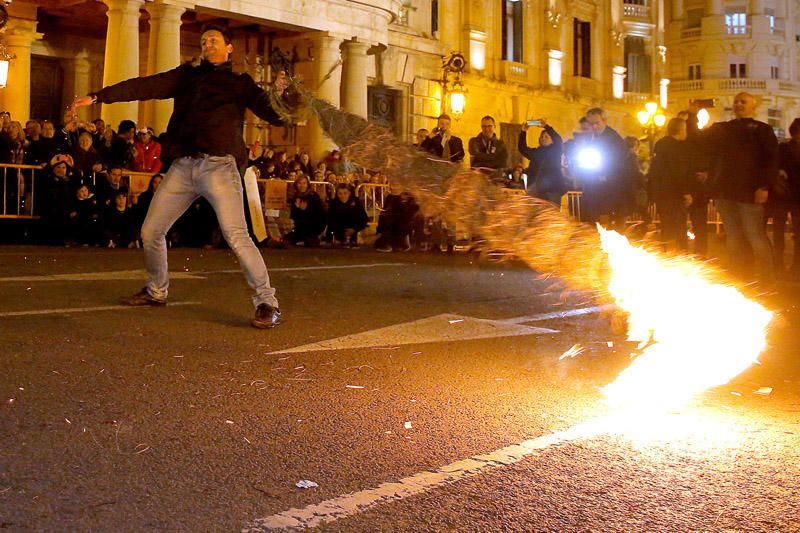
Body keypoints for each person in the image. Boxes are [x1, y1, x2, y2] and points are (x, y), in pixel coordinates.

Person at [71, 23, 292, 328]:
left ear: (229, 48)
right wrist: (99, 97)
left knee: (237, 236)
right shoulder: (186, 76)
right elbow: (146, 85)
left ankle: (267, 302)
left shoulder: (240, 83)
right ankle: (156, 290)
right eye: (204, 41)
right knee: (151, 231)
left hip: (219, 166)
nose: (208, 44)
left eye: (214, 40)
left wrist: (285, 95)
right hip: (183, 165)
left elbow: (275, 115)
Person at [703, 92, 777, 285]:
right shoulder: (724, 129)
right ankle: (740, 274)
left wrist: (763, 186)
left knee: (755, 235)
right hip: (726, 191)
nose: (739, 104)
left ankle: (767, 278)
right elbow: (703, 144)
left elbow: (770, 161)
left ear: (753, 106)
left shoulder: (762, 130)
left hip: (749, 191)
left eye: (743, 102)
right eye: (736, 101)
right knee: (734, 235)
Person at [647, 118, 693, 251]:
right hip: (674, 194)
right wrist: (686, 192)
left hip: (661, 194)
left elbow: (654, 170)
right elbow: (678, 172)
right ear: (680, 130)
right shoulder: (677, 148)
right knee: (679, 226)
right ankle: (681, 254)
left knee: (666, 226)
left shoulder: (660, 145)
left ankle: (666, 253)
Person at [579, 107, 628, 227]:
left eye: (597, 123)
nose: (594, 127)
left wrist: (604, 175)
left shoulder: (613, 139)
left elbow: (618, 163)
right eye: (591, 124)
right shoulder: (593, 138)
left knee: (605, 221)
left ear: (604, 121)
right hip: (595, 186)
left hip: (608, 189)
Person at [773, 118, 800, 275]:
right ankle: (794, 266)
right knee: (795, 232)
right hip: (790, 196)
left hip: (783, 196)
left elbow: (776, 166)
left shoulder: (783, 147)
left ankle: (779, 264)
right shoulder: (784, 148)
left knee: (779, 231)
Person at [517, 118, 565, 205]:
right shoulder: (536, 152)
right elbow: (522, 149)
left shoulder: (556, 150)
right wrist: (523, 132)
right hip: (538, 187)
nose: (543, 138)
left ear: (552, 140)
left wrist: (547, 127)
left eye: (546, 137)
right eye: (542, 137)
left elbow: (558, 140)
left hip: (553, 189)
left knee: (551, 213)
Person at [375, 184, 419, 252]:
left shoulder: (410, 198)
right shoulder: (391, 197)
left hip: (403, 220)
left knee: (393, 223)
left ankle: (400, 244)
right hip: (395, 220)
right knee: (386, 220)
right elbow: (386, 210)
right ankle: (389, 244)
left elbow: (411, 211)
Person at [285, 174, 326, 246]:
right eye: (299, 183)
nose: (302, 185)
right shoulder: (296, 196)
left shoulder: (313, 196)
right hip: (300, 225)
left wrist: (305, 210)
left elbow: (318, 214)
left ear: (307, 184)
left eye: (304, 183)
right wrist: (297, 209)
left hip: (313, 225)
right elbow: (294, 215)